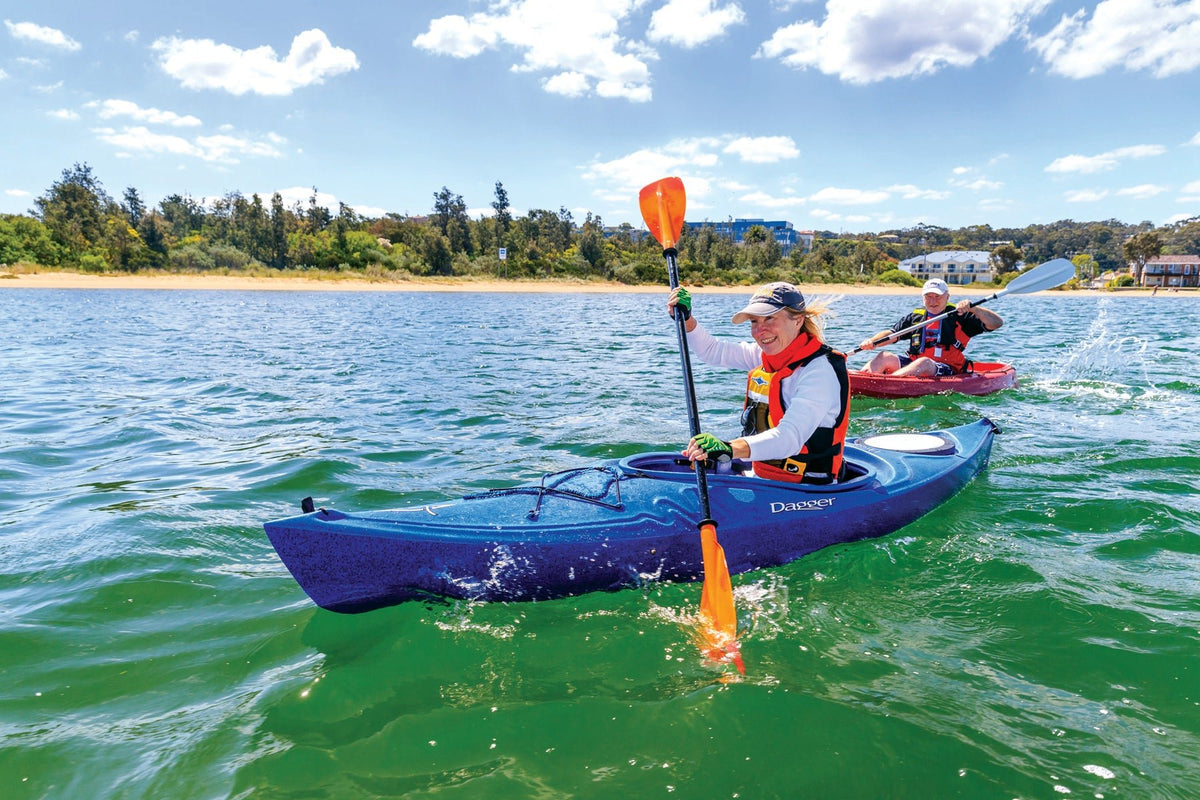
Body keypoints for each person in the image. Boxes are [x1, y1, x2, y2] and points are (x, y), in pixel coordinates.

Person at [667, 282, 850, 484]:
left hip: (808, 489)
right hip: (764, 479)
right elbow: (713, 351)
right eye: (754, 321)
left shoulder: (820, 371)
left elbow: (789, 438)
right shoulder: (765, 355)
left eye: (770, 318)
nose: (760, 330)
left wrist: (729, 449)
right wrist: (687, 319)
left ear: (797, 320)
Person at [858, 278, 1002, 377]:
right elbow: (892, 334)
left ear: (947, 297)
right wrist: (872, 341)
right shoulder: (916, 317)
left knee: (924, 362)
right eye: (928, 296)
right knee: (884, 356)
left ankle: (886, 384)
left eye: (937, 296)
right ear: (923, 298)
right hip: (915, 366)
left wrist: (974, 309)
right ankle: (861, 381)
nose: (933, 301)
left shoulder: (960, 316)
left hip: (949, 369)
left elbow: (996, 323)